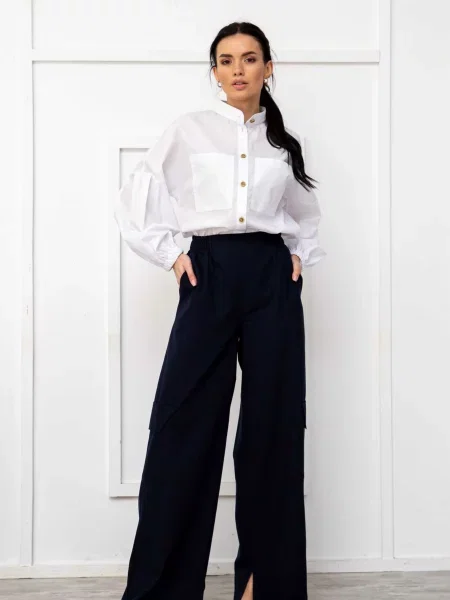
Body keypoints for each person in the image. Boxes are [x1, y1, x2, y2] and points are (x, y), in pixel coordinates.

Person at [114, 20, 326, 600]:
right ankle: (163, 589)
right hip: (207, 272)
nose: (238, 69)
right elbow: (137, 195)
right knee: (182, 424)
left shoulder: (283, 144)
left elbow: (304, 214)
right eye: (227, 60)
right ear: (215, 72)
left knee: (274, 427)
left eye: (249, 58)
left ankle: (264, 584)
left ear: (268, 68)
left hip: (270, 279)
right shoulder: (189, 130)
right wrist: (172, 254)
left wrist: (298, 255)